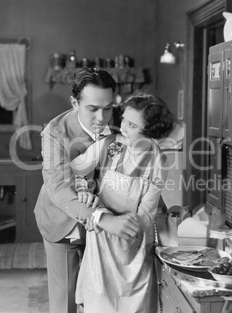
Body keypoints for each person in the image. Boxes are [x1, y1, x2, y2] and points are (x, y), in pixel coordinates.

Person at [72, 93, 174, 313]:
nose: (123, 129)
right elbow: (74, 171)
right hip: (100, 239)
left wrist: (125, 226)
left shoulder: (158, 162)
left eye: (131, 125)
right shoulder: (109, 144)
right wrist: (85, 193)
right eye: (123, 121)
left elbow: (146, 214)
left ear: (151, 131)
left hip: (132, 247)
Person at [34, 67, 118, 313]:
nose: (102, 118)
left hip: (109, 217)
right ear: (74, 103)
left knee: (106, 297)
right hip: (63, 219)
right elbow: (58, 185)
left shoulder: (123, 121)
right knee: (66, 302)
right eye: (92, 109)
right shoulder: (54, 132)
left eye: (108, 107)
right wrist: (98, 217)